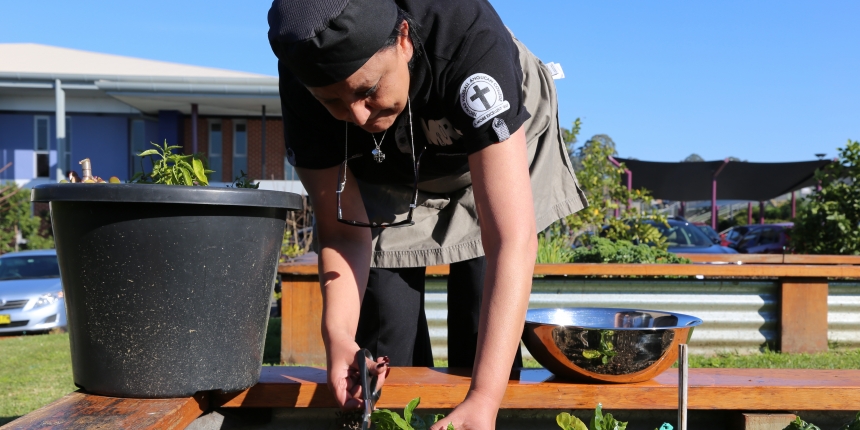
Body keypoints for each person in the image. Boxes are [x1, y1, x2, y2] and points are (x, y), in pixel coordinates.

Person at [267, 0, 586, 428]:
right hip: (391, 166)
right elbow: (343, 233)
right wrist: (338, 335)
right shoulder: (304, 74)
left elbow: (511, 239)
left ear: (402, 40)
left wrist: (485, 399)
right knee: (385, 334)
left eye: (366, 90)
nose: (358, 116)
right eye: (335, 103)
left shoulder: (471, 44)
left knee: (483, 320)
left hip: (493, 142)